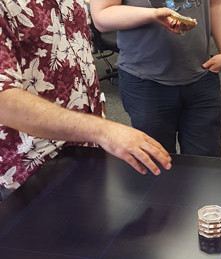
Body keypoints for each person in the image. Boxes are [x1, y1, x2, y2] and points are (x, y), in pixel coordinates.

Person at [0, 0, 173, 200]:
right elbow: (4, 99)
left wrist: (99, 123)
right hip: (28, 170)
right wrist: (103, 131)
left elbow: (78, 62)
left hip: (85, 155)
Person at [90, 0, 221, 157]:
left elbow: (217, 3)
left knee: (206, 163)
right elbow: (101, 17)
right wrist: (153, 14)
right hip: (146, 82)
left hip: (201, 75)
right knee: (157, 165)